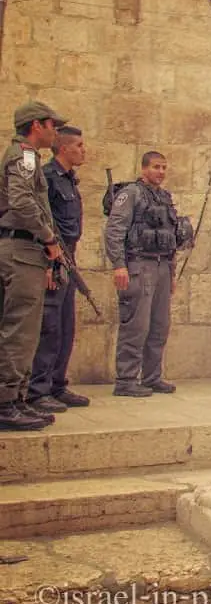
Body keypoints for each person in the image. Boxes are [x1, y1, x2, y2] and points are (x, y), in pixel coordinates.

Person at [0, 102, 65, 431]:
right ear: (36, 125)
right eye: (53, 125)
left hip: (26, 248)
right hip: (22, 247)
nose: (56, 132)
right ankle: (7, 402)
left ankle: (17, 398)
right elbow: (22, 201)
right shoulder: (24, 155)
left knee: (25, 328)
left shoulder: (28, 156)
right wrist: (49, 238)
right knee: (20, 329)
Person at [105, 151, 190, 397]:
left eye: (164, 167)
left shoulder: (164, 197)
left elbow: (170, 237)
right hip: (139, 264)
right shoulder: (131, 193)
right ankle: (126, 379)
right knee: (136, 324)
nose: (161, 172)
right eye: (156, 167)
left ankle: (152, 377)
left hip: (162, 266)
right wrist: (119, 265)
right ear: (144, 169)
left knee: (159, 325)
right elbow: (115, 230)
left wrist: (172, 273)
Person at [26, 125, 92, 414]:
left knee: (66, 326)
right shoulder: (50, 177)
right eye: (78, 145)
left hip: (69, 256)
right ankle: (38, 390)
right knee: (50, 327)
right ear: (63, 148)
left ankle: (56, 384)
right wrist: (49, 265)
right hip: (52, 257)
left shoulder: (69, 179)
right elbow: (45, 223)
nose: (83, 149)